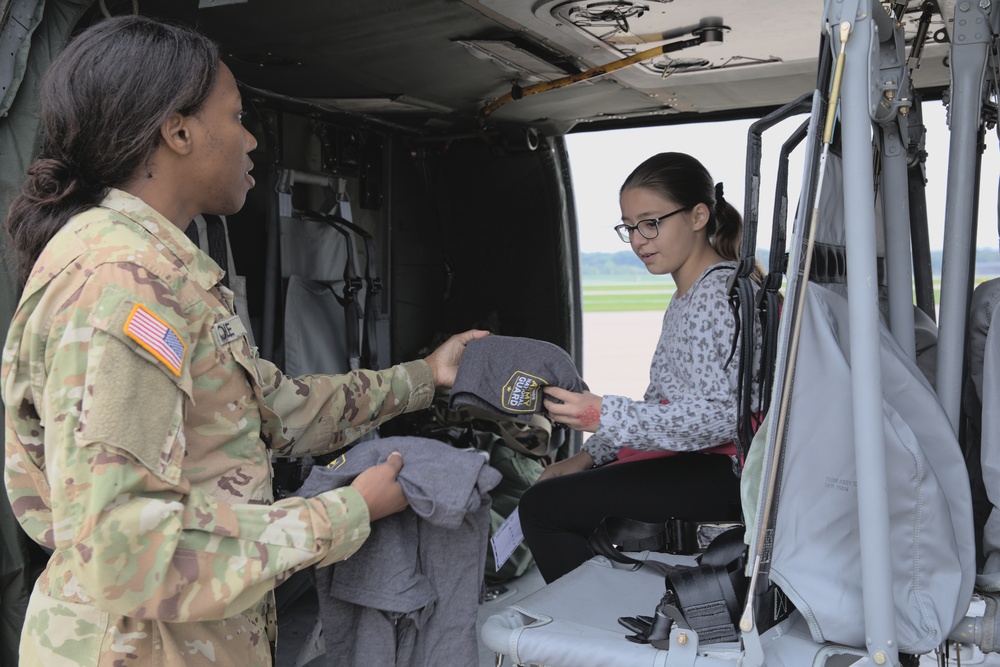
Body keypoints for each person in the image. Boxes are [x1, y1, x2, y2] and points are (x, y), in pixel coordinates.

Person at [1, 15, 487, 667]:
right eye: (235, 117)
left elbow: (269, 411)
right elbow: (127, 551)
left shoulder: (152, 269)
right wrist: (348, 512)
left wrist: (428, 374)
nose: (252, 140)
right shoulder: (123, 285)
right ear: (177, 131)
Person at [518, 152, 762, 583]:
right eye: (629, 227)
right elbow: (659, 401)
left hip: (725, 474)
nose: (638, 240)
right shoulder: (690, 296)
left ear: (698, 216)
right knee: (558, 493)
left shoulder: (715, 296)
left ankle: (595, 632)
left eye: (651, 223)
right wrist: (589, 455)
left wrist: (601, 414)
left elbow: (723, 416)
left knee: (542, 509)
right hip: (702, 465)